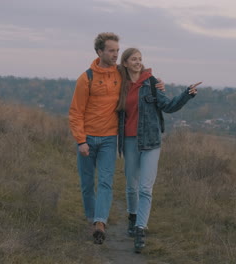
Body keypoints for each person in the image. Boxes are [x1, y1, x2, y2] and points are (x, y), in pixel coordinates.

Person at [68, 33, 164, 245]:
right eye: (111, 51)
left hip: (110, 139)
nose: (115, 54)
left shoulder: (120, 74)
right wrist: (80, 140)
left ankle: (100, 223)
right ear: (100, 52)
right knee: (86, 184)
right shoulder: (86, 78)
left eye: (117, 51)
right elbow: (75, 112)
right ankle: (93, 219)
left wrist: (157, 83)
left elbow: (139, 75)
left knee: (104, 182)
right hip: (87, 139)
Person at [116, 47, 201, 253]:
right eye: (133, 59)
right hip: (129, 140)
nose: (138, 62)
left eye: (140, 59)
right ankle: (132, 215)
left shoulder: (153, 83)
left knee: (145, 188)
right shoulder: (118, 84)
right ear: (125, 63)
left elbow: (169, 106)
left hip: (152, 141)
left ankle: (140, 229)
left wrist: (186, 94)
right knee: (131, 186)